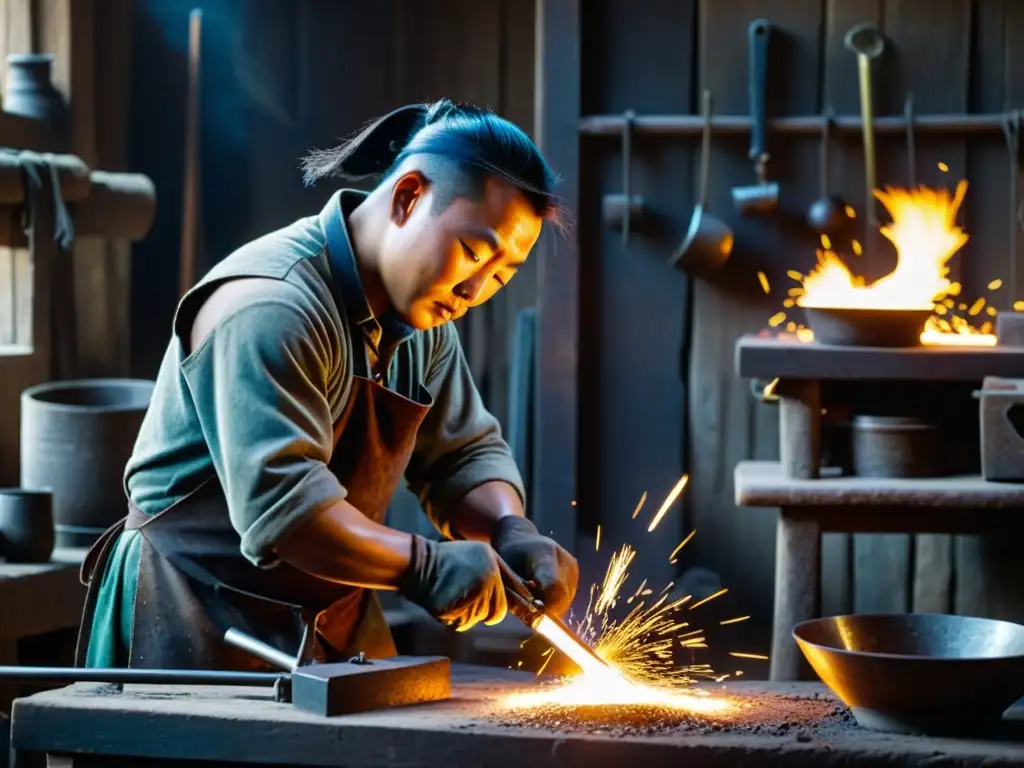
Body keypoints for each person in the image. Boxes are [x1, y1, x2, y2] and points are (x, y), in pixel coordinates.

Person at [77, 99, 580, 671]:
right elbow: (288, 513)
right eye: (472, 254)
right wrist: (424, 566)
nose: (476, 290)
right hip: (189, 612)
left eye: (501, 275)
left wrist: (509, 528)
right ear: (408, 196)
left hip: (332, 615)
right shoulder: (270, 304)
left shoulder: (421, 319)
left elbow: (463, 456)